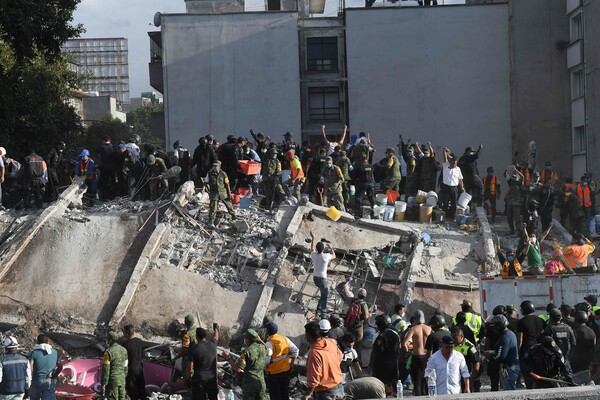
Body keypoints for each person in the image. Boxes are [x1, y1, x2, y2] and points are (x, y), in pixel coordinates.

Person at [303, 321, 343, 400]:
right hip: (339, 386)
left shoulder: (314, 353)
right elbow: (340, 356)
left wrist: (307, 394)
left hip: (325, 391)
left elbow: (314, 378)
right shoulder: (330, 342)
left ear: (308, 335)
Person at [224, 329, 268, 400]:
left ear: (247, 340)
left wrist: (228, 358)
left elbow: (238, 369)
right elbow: (270, 351)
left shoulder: (246, 352)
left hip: (249, 384)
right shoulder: (263, 348)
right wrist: (260, 341)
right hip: (261, 382)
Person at [263, 322, 298, 400]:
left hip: (274, 373)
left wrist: (263, 368)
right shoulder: (284, 338)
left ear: (268, 331)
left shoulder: (269, 343)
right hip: (286, 371)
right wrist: (292, 363)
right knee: (284, 393)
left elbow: (266, 361)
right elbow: (295, 351)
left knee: (275, 395)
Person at [186, 324, 220, 400]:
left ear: (197, 336)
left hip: (199, 380)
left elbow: (189, 367)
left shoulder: (194, 348)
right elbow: (216, 336)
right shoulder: (213, 344)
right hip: (211, 379)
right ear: (205, 336)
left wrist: (188, 379)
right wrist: (216, 329)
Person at [402, 310, 432, 396]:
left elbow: (404, 344)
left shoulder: (413, 329)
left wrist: (408, 351)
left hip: (417, 357)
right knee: (426, 380)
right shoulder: (429, 328)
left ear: (415, 318)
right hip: (427, 356)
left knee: (417, 383)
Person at [485, 315, 519, 390]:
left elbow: (501, 356)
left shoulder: (505, 337)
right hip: (511, 366)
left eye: (493, 327)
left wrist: (491, 354)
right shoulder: (510, 334)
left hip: (508, 368)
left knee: (508, 391)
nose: (493, 330)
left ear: (498, 326)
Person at [517, 300, 544, 389]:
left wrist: (518, 352)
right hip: (539, 349)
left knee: (526, 371)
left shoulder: (521, 322)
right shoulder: (541, 320)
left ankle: (529, 387)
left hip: (527, 349)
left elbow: (520, 339)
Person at [370, 315, 400, 395]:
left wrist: (372, 366)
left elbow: (376, 352)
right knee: (394, 389)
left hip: (382, 367)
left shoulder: (380, 336)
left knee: (382, 389)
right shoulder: (395, 333)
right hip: (394, 365)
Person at [309, 231, 336, 318]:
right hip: (322, 279)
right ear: (323, 248)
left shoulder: (313, 255)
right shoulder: (326, 256)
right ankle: (323, 315)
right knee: (325, 296)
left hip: (315, 278)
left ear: (317, 249)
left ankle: (318, 310)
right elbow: (334, 256)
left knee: (323, 295)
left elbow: (311, 249)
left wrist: (313, 238)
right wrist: (331, 248)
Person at [28, 334, 62, 400]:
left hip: (36, 380)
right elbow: (60, 366)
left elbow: (29, 368)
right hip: (50, 381)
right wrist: (54, 376)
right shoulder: (55, 352)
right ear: (47, 342)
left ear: (37, 342)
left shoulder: (34, 353)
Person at [451, 327, 480, 392]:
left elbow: (476, 364)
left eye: (455, 338)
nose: (453, 340)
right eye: (451, 337)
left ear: (461, 336)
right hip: (454, 376)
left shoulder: (469, 346)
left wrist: (471, 381)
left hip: (465, 378)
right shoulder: (451, 345)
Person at [207, 161, 236, 227]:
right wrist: (208, 190)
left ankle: (233, 215)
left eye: (216, 166)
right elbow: (206, 182)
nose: (215, 167)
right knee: (213, 207)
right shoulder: (209, 173)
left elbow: (227, 184)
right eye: (214, 166)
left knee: (228, 204)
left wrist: (229, 194)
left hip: (223, 192)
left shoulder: (223, 174)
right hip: (214, 193)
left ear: (219, 166)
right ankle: (211, 221)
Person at [345, 288, 370, 361]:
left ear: (358, 294)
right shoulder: (363, 304)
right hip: (358, 328)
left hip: (349, 325)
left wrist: (344, 287)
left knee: (348, 341)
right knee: (358, 345)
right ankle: (357, 362)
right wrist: (370, 315)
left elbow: (346, 297)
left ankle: (346, 358)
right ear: (365, 296)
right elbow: (366, 317)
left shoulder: (352, 300)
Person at [101, 332, 128, 400]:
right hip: (122, 380)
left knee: (112, 397)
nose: (107, 342)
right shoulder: (124, 350)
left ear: (111, 340)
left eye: (108, 340)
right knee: (122, 397)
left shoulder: (108, 352)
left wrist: (103, 383)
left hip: (112, 381)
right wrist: (123, 377)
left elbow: (106, 369)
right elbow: (126, 366)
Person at [121, 326, 146, 400]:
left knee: (131, 387)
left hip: (131, 368)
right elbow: (143, 353)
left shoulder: (125, 344)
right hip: (139, 367)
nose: (123, 334)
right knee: (141, 386)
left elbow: (124, 358)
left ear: (127, 334)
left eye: (124, 333)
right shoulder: (139, 341)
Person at [440, 150, 464, 220]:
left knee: (454, 203)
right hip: (446, 187)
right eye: (453, 163)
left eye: (455, 163)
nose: (454, 164)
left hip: (454, 188)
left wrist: (462, 187)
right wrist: (444, 151)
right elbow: (445, 157)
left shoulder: (458, 169)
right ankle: (445, 216)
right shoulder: (445, 165)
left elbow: (460, 179)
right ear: (450, 162)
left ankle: (452, 216)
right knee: (445, 202)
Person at [504, 167, 524, 235]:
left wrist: (515, 170)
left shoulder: (520, 183)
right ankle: (512, 230)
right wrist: (506, 170)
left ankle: (518, 231)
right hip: (510, 203)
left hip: (517, 203)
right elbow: (505, 175)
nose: (514, 178)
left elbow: (522, 176)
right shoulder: (510, 182)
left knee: (517, 218)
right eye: (513, 177)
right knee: (509, 218)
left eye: (515, 177)